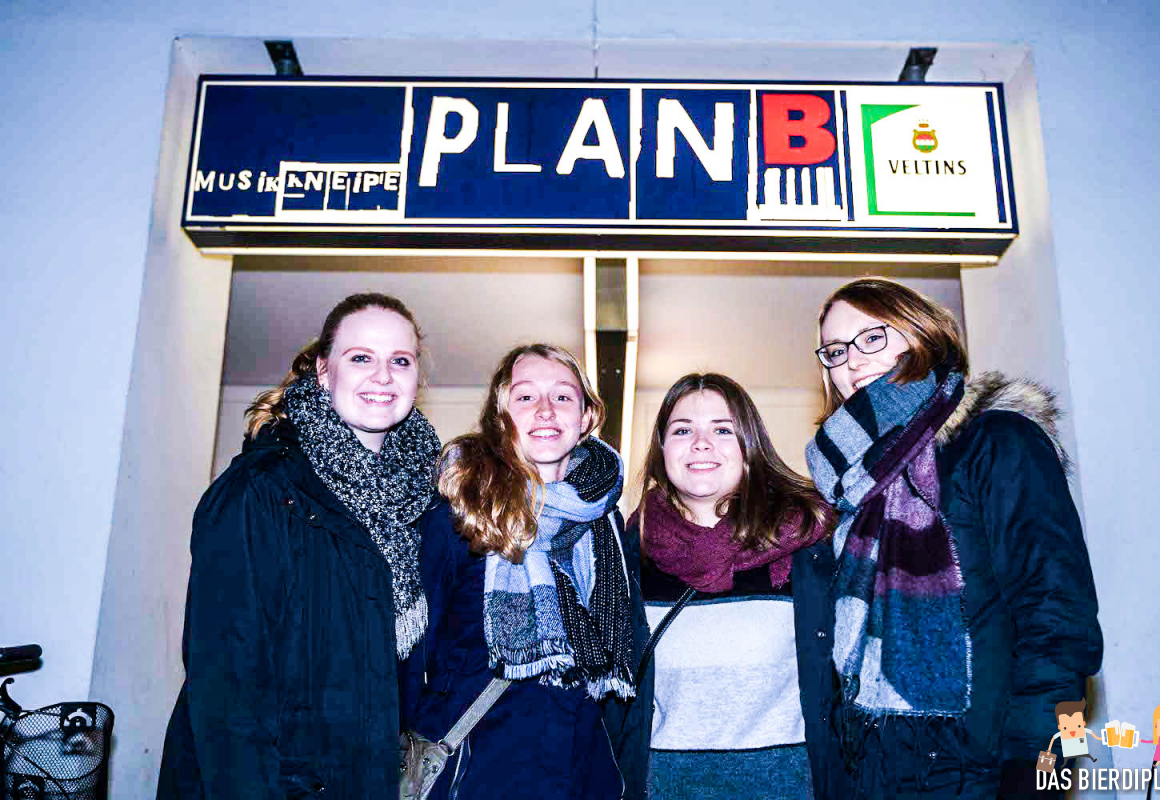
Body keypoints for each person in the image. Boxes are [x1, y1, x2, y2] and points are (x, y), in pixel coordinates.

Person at [804, 277, 1103, 798]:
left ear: (922, 334)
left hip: (983, 771)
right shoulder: (848, 484)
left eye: (872, 337)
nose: (852, 360)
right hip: (874, 770)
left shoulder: (996, 441)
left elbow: (1059, 622)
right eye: (835, 351)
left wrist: (1041, 773)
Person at [158, 293, 442, 799]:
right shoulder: (261, 490)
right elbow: (226, 691)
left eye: (401, 361)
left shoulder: (423, 503)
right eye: (361, 358)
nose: (383, 376)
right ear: (324, 371)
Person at [406, 344, 640, 799]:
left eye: (563, 396)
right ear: (502, 417)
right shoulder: (459, 515)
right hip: (476, 773)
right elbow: (414, 658)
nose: (546, 410)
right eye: (526, 396)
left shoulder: (608, 526)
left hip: (581, 773)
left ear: (586, 417)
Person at [610, 373, 841, 800]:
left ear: (749, 447)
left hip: (788, 787)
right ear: (662, 450)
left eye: (722, 430)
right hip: (664, 787)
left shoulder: (808, 544)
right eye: (683, 431)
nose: (701, 443)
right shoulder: (626, 554)